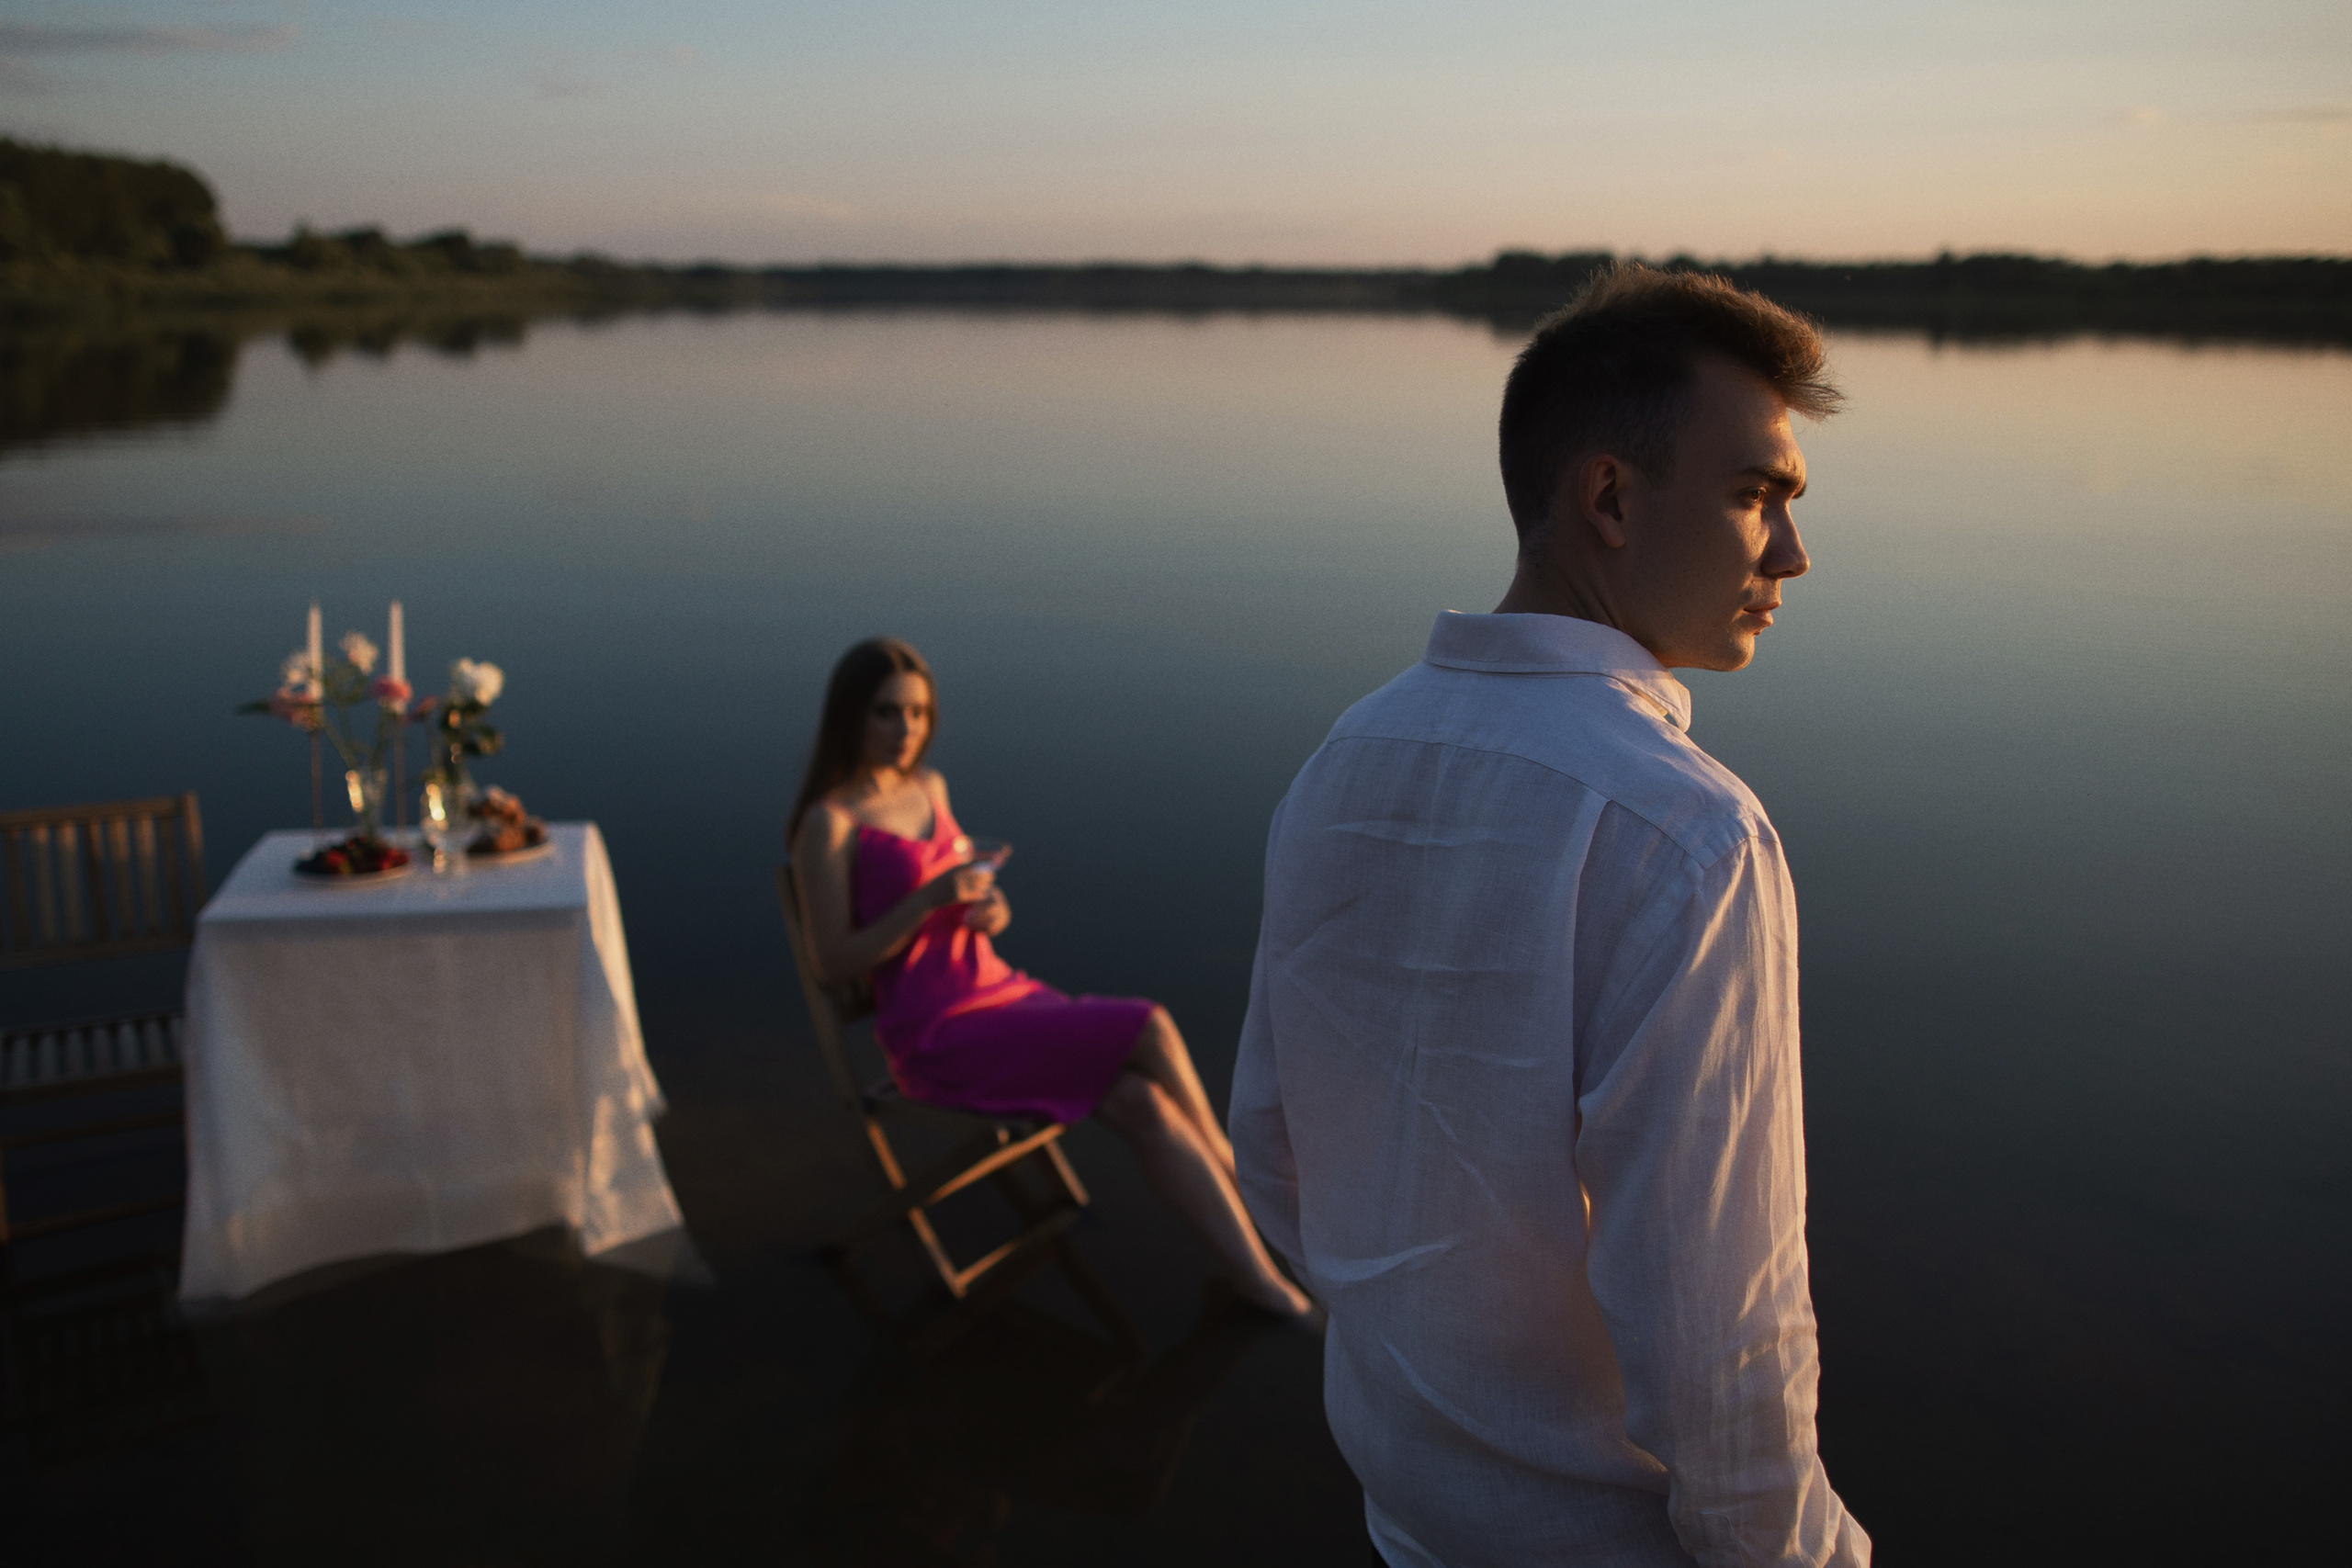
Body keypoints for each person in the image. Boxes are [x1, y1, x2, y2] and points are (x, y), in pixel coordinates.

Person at [1230, 265, 1871, 1566]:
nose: (1794, 552)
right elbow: (1721, 1333)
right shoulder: (1688, 832)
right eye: (1758, 495)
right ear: (1610, 498)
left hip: (1407, 1512)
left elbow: (1274, 1156)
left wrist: (1432, 1372)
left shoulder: (1342, 758)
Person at [788, 637, 1313, 1320]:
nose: (907, 730)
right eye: (888, 713)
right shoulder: (827, 824)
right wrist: (925, 902)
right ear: (851, 715)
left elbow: (958, 902)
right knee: (1148, 1021)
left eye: (918, 713)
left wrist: (987, 913)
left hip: (997, 989)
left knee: (1142, 1102)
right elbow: (831, 964)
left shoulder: (929, 787)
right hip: (938, 1033)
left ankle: (1251, 1272)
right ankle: (1241, 1181)